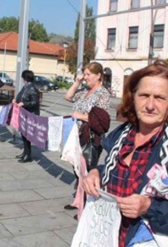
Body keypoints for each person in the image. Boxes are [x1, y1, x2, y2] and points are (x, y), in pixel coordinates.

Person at [82, 60, 168, 247]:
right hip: (107, 237)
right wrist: (96, 172)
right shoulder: (122, 135)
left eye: (160, 98)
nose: (150, 105)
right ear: (133, 97)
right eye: (144, 95)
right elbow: (120, 173)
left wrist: (149, 207)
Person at [63, 62, 111, 211]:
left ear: (98, 76)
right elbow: (68, 96)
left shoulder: (102, 94)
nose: (86, 77)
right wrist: (77, 82)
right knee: (77, 169)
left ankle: (88, 203)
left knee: (88, 170)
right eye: (85, 74)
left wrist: (80, 116)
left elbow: (101, 119)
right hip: (77, 135)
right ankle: (79, 200)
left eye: (89, 74)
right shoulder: (85, 91)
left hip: (91, 137)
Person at [13, 70, 40, 163]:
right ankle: (25, 152)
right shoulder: (26, 87)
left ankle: (28, 155)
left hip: (30, 115)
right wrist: (16, 101)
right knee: (24, 134)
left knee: (27, 135)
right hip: (24, 114)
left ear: (25, 78)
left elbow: (35, 102)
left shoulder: (32, 88)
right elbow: (21, 96)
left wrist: (23, 103)